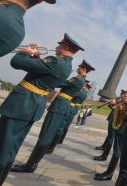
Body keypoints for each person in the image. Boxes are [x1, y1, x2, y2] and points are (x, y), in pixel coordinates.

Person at [0, 33, 80, 186]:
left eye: (59, 45)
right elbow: (41, 73)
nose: (56, 47)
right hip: (31, 104)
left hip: (23, 104)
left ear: (66, 47)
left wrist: (26, 52)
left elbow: (16, 62)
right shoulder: (65, 65)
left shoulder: (55, 61)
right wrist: (37, 58)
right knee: (10, 147)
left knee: (1, 146)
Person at [10, 43, 89, 174]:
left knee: (46, 134)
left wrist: (44, 67)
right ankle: (31, 163)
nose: (79, 68)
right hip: (61, 104)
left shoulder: (78, 80)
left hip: (61, 105)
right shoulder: (77, 78)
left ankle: (31, 165)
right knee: (46, 133)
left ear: (84, 69)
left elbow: (58, 82)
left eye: (81, 67)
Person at [94, 82, 127, 182]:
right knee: (116, 151)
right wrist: (114, 105)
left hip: (125, 128)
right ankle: (109, 171)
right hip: (120, 126)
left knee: (117, 152)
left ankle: (109, 173)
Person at [53, 80, 91, 148]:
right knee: (66, 125)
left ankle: (55, 142)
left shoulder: (79, 91)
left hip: (70, 107)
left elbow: (70, 95)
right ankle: (60, 140)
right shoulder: (85, 94)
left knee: (62, 125)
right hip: (74, 109)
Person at [93, 96, 119, 161]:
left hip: (116, 121)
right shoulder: (121, 101)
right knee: (109, 135)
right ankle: (104, 148)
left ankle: (104, 156)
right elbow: (113, 108)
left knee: (111, 137)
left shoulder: (124, 102)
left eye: (124, 95)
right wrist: (110, 104)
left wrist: (114, 104)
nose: (123, 96)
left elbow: (117, 109)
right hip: (112, 119)